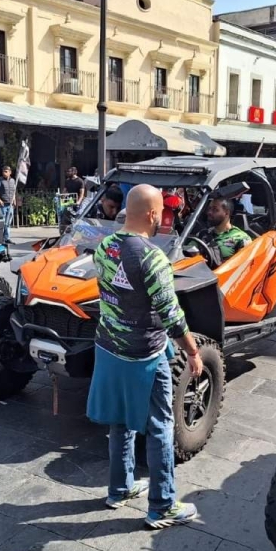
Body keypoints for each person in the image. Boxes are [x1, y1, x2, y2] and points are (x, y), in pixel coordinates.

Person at [86, 184, 202, 529]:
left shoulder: (104, 246)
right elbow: (172, 315)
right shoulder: (153, 258)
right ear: (152, 214)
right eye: (162, 212)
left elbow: (110, 292)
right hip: (144, 356)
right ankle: (162, 504)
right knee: (160, 425)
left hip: (109, 348)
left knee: (119, 419)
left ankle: (120, 488)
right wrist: (194, 352)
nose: (163, 218)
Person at [201, 197, 251, 265]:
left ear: (227, 213)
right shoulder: (202, 234)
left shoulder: (241, 238)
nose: (209, 212)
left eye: (215, 210)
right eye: (209, 209)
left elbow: (244, 266)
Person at [0, 165, 17, 243]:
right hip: (3, 205)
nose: (4, 173)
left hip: (10, 205)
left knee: (8, 222)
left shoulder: (13, 181)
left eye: (6, 171)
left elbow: (14, 191)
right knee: (3, 222)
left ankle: (7, 238)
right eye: (3, 171)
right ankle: (1, 239)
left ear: (10, 172)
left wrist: (14, 200)